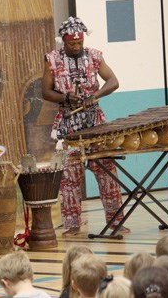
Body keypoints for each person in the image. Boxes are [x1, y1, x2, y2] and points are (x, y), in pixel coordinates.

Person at [42, 16, 129, 236]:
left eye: (79, 42)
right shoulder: (52, 59)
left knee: (107, 170)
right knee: (70, 176)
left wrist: (95, 95)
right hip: (68, 124)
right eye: (72, 44)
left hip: (95, 122)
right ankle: (72, 224)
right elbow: (45, 91)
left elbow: (114, 81)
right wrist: (65, 98)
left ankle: (116, 220)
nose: (77, 46)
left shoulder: (95, 56)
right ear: (64, 41)